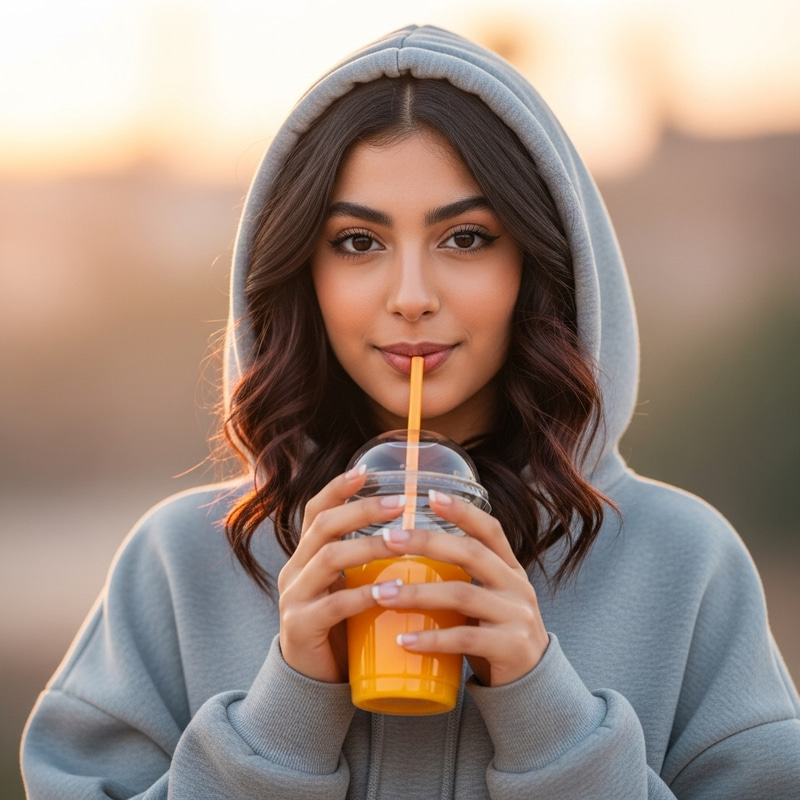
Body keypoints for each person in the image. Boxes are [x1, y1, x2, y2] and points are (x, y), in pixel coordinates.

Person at [21, 24, 800, 799]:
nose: (413, 297)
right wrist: (282, 718)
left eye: (465, 238)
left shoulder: (684, 565)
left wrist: (548, 715)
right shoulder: (179, 566)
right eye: (359, 242)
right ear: (303, 272)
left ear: (536, 264)